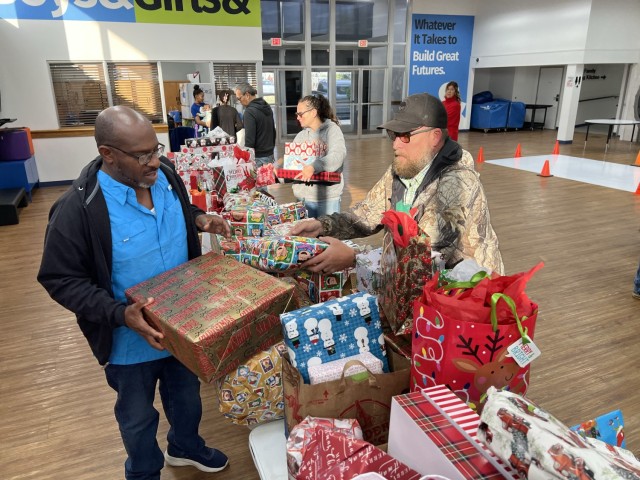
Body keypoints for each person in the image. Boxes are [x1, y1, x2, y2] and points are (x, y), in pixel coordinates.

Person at [37, 106, 232, 479]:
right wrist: (118, 313)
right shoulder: (77, 209)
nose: (154, 161)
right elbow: (59, 278)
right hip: (129, 343)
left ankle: (184, 446)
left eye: (156, 149)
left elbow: (178, 208)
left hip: (184, 326)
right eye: (143, 155)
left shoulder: (165, 176)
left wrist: (198, 218)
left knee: (187, 398)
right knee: (137, 417)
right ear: (108, 154)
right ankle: (144, 472)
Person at [290, 92, 504, 275]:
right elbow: (367, 214)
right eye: (393, 134)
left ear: (435, 137)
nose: (395, 143)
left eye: (405, 136)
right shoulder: (403, 169)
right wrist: (322, 225)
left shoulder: (458, 184)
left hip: (461, 301)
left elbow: (427, 259)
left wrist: (355, 257)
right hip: (406, 291)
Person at [290, 94, 346, 218]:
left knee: (327, 237)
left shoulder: (333, 131)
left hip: (327, 201)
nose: (298, 118)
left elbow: (337, 156)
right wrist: (276, 174)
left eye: (301, 114)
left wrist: (314, 166)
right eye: (297, 115)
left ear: (314, 112)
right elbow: (292, 165)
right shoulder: (300, 136)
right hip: (303, 199)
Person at [234, 82, 276, 168]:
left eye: (239, 98)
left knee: (258, 181)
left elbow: (250, 140)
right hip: (270, 153)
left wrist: (247, 159)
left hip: (258, 157)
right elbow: (273, 130)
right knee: (269, 180)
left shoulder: (249, 112)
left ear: (247, 95)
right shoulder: (266, 106)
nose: (239, 102)